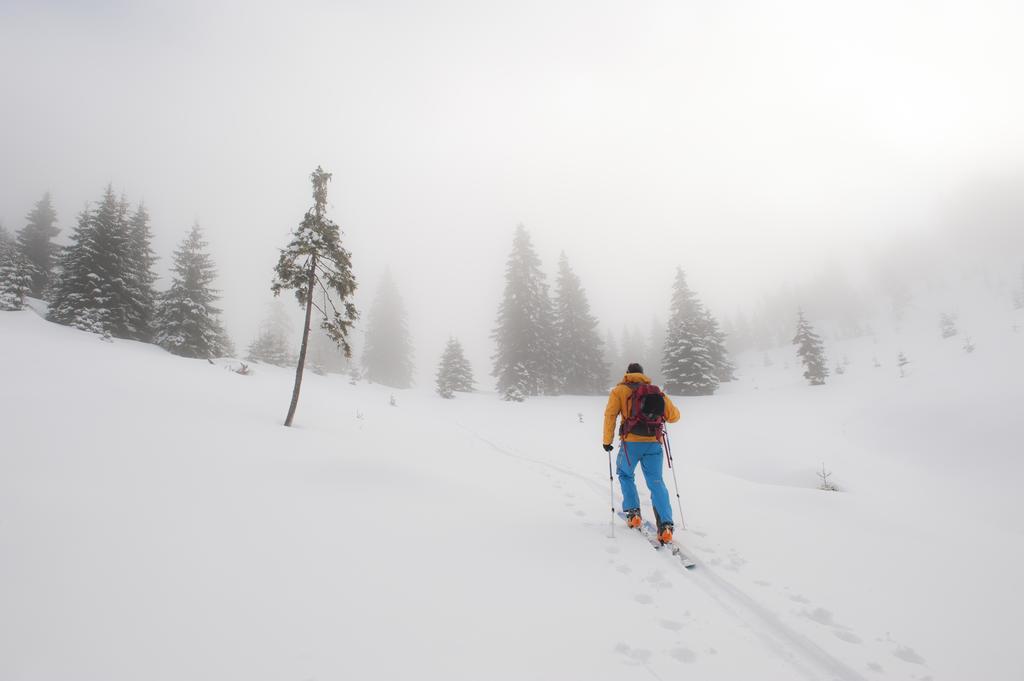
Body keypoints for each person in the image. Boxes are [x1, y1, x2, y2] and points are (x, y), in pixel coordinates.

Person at [602, 362, 680, 542]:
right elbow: (674, 416)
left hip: (631, 444)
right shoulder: (655, 390)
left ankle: (633, 514)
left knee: (625, 474)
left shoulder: (619, 391)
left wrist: (607, 441)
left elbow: (610, 415)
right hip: (654, 443)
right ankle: (666, 526)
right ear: (643, 374)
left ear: (627, 374)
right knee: (656, 481)